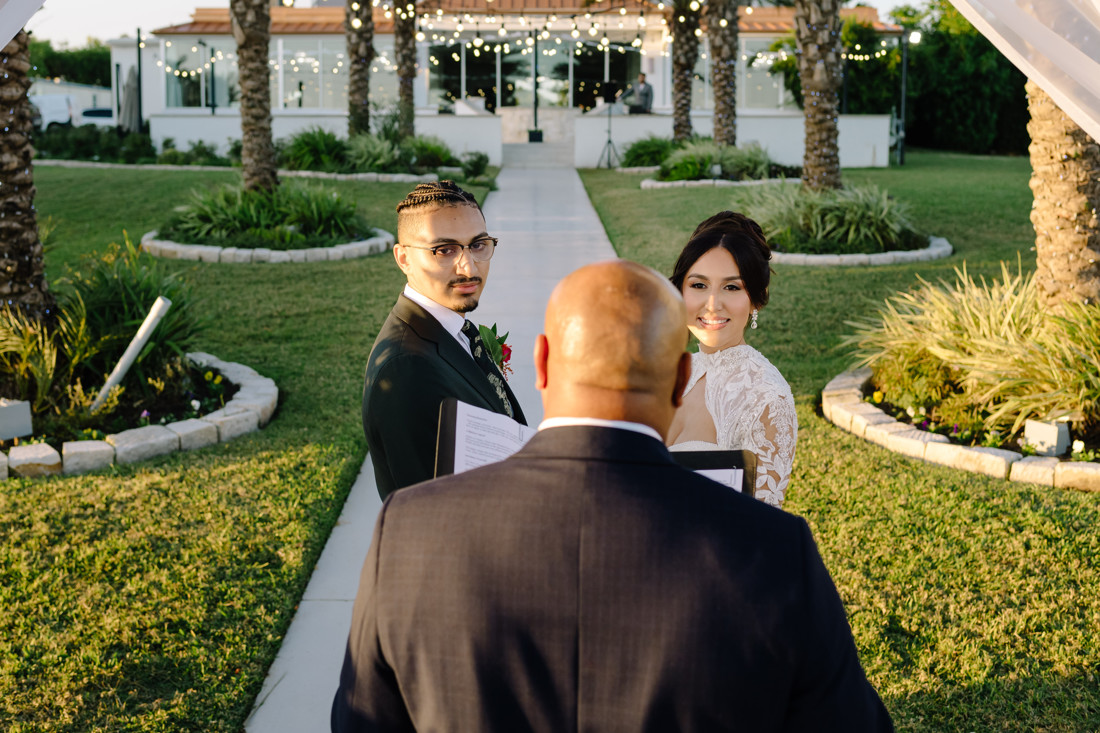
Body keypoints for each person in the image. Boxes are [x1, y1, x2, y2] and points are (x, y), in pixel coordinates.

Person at [332, 260, 893, 732]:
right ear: (680, 379)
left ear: (543, 362)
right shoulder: (775, 550)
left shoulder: (407, 530)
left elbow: (361, 722)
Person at [362, 181, 526, 500]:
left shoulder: (450, 329)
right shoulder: (405, 368)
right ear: (403, 258)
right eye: (444, 250)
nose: (468, 267)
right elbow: (426, 510)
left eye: (478, 244)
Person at [667, 211, 798, 508]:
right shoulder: (675, 371)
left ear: (756, 299)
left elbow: (759, 527)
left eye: (732, 287)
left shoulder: (766, 399)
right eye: (699, 285)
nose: (712, 305)